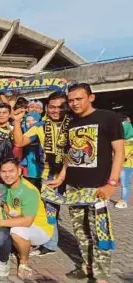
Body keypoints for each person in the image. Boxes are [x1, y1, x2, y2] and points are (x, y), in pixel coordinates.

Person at [54, 83, 124, 282]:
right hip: (74, 188)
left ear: (91, 97)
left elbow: (119, 152)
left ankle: (101, 277)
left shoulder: (109, 118)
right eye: (71, 100)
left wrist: (112, 183)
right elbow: (70, 154)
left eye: (79, 99)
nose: (75, 103)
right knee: (80, 231)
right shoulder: (71, 123)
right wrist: (62, 176)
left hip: (98, 189)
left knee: (100, 234)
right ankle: (86, 267)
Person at [12, 91, 70, 256]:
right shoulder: (40, 126)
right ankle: (50, 244)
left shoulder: (73, 123)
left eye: (60, 107)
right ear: (46, 108)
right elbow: (20, 142)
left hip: (74, 174)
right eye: (52, 107)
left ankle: (91, 254)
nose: (56, 110)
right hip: (50, 175)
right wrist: (17, 121)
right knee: (50, 210)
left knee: (80, 212)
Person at [0, 158, 53, 280]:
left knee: (17, 231)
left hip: (39, 229)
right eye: (4, 171)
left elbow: (27, 221)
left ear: (19, 171)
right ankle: (14, 247)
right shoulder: (5, 186)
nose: (7, 175)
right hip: (16, 223)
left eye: (11, 171)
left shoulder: (29, 190)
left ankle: (24, 262)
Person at [117, 116, 133, 208]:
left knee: (124, 183)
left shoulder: (130, 141)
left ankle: (124, 201)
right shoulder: (122, 140)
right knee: (121, 182)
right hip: (121, 163)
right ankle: (122, 199)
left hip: (128, 164)